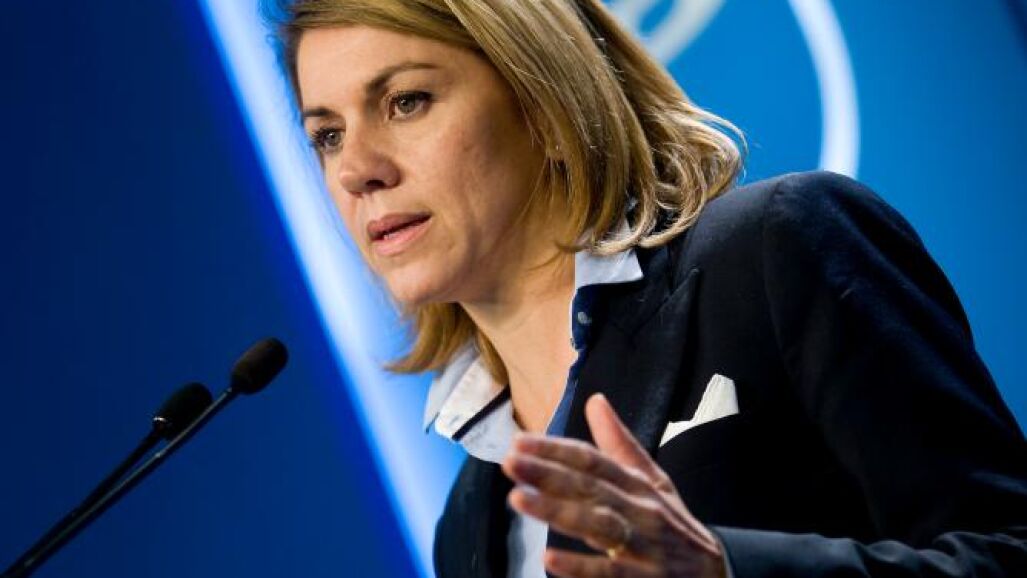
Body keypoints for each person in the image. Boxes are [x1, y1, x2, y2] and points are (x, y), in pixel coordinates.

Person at [269, 1, 1027, 576]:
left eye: (405, 102)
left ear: (543, 103)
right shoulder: (468, 520)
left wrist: (724, 569)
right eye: (327, 135)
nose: (356, 169)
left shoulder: (773, 250)